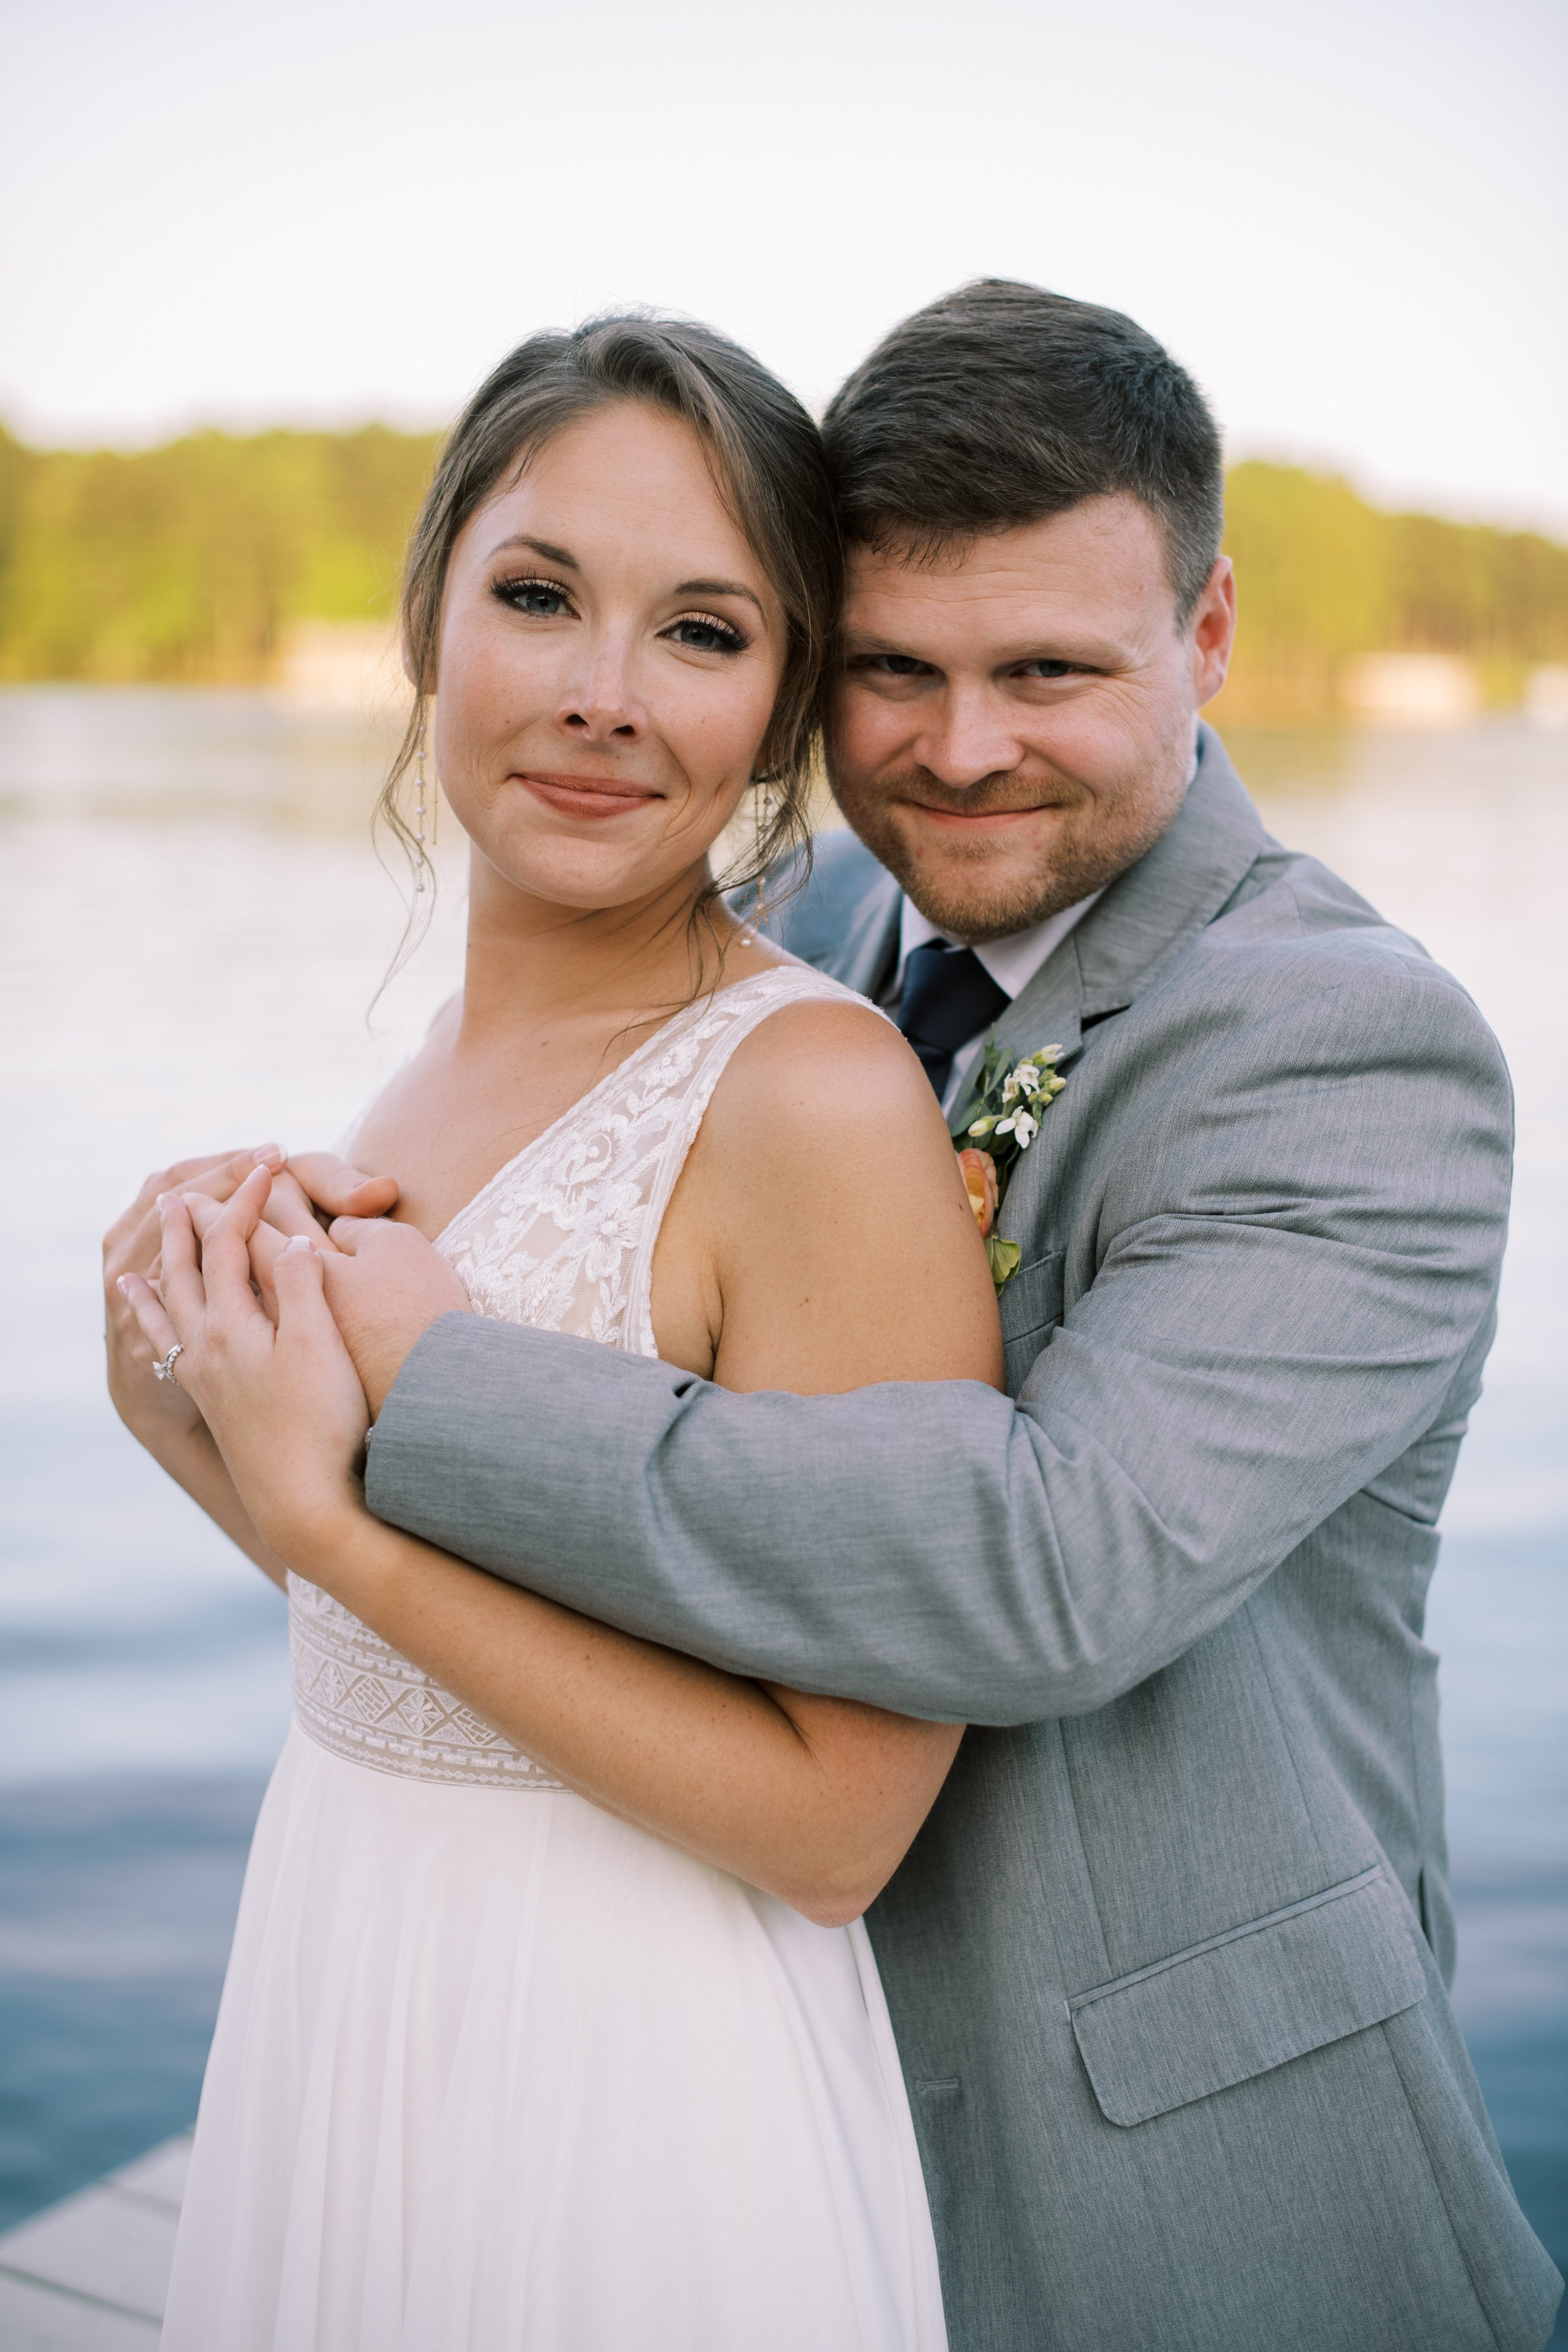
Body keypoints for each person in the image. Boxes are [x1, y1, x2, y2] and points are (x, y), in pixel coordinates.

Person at [122, 280, 1564, 2351]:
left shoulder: (1342, 1049)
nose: (962, 749)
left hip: (1173, 2182)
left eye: (1047, 671)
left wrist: (426, 1382)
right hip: (705, 2074)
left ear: (1211, 636)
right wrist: (229, 1335)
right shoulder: (804, 932)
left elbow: (1045, 1569)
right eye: (895, 671)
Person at [107, 314, 1009, 2349]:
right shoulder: (423, 1072)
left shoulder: (809, 1097)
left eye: (702, 631)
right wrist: (203, 1429)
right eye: (538, 598)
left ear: (783, 707)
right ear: (430, 615)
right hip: (353, 1951)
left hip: (632, 2077)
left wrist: (331, 1530)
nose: (603, 699)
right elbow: (435, 1662)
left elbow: (840, 1824)